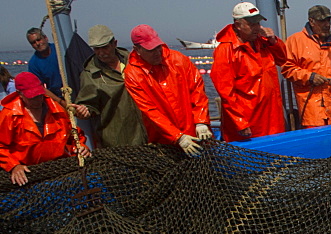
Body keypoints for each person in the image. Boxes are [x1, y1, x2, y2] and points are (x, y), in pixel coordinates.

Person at [124, 24, 212, 157]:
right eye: (151, 50)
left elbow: (197, 89)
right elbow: (150, 111)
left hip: (195, 133)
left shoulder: (178, 59)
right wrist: (178, 137)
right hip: (163, 141)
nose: (157, 52)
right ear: (137, 49)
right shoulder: (133, 74)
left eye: (158, 47)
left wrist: (201, 121)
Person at [211, 2, 287, 142]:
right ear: (238, 25)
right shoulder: (226, 50)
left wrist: (273, 41)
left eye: (258, 23)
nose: (256, 28)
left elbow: (283, 59)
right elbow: (226, 92)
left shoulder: (263, 42)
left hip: (272, 116)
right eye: (252, 24)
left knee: (276, 155)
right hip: (248, 120)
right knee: (249, 159)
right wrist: (240, 122)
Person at [0, 72, 90, 186]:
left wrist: (81, 147)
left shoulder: (56, 109)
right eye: (31, 97)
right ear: (20, 94)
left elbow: (75, 135)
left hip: (60, 167)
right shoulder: (9, 115)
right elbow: (1, 147)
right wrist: (14, 166)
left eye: (39, 95)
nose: (37, 100)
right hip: (29, 172)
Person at [282, 5, 331, 127]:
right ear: (311, 21)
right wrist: (309, 77)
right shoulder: (295, 41)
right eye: (322, 21)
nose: (326, 25)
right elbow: (287, 68)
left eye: (328, 21)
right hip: (310, 111)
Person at [71, 25, 146, 148]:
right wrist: (83, 110)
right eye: (96, 49)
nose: (101, 53)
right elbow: (88, 105)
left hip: (149, 133)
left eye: (104, 47)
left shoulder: (133, 60)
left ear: (114, 44)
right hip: (118, 141)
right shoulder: (90, 74)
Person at [26, 28, 63, 96]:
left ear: (45, 38)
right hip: (57, 97)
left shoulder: (60, 49)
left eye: (39, 40)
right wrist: (60, 102)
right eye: (33, 42)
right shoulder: (33, 63)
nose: (37, 43)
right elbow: (40, 87)